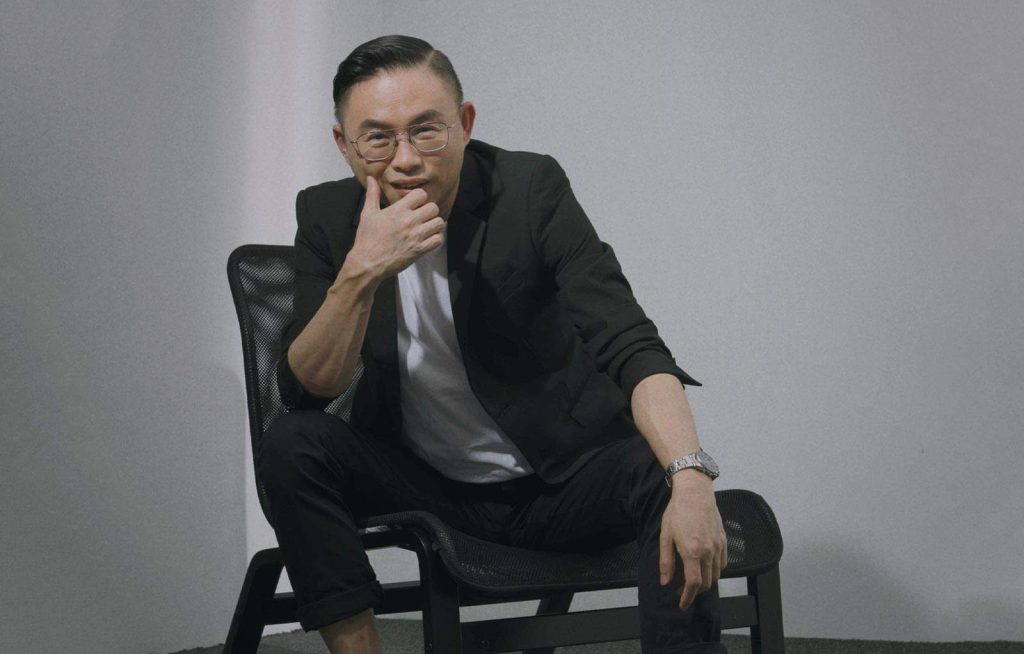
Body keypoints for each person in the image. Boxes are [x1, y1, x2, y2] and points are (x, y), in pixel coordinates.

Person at [256, 34, 728, 654]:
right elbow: (306, 389)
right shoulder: (326, 216)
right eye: (378, 139)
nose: (405, 159)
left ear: (466, 124)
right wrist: (360, 273)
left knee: (665, 475)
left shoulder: (528, 190)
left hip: (559, 483)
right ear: (344, 145)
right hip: (429, 488)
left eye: (427, 131)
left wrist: (690, 479)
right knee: (292, 443)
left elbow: (629, 342)